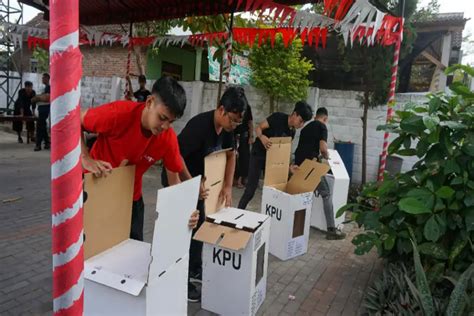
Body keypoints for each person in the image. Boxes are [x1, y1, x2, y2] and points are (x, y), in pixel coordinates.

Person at [80, 76, 199, 242]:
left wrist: (185, 211)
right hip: (96, 190)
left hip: (131, 197)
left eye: (170, 122)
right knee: (93, 254)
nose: (165, 126)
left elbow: (174, 181)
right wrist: (85, 157)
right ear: (149, 102)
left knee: (132, 253)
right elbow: (75, 119)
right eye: (162, 118)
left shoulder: (167, 137)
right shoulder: (118, 114)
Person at [161, 86, 248, 303]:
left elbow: (231, 156)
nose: (235, 126)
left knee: (201, 224)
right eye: (233, 121)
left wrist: (228, 186)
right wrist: (191, 182)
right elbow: (175, 156)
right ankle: (180, 278)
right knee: (185, 228)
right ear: (221, 110)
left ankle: (195, 267)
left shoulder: (227, 131)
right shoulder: (199, 126)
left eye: (238, 122)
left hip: (199, 184)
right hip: (179, 178)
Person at [238, 101, 313, 210]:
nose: (301, 125)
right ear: (295, 114)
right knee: (250, 190)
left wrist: (289, 167)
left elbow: (283, 152)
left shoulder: (292, 132)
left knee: (273, 191)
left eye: (303, 123)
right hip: (258, 155)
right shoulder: (278, 117)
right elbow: (258, 128)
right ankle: (238, 211)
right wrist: (262, 137)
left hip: (272, 159)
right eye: (301, 121)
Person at [294, 107, 345, 240]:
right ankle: (331, 230)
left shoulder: (305, 127)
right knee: (326, 194)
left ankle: (296, 226)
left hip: (299, 165)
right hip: (312, 165)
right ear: (325, 118)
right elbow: (323, 148)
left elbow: (301, 147)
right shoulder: (322, 127)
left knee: (302, 194)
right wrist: (327, 157)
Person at [234, 104, 254, 188]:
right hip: (233, 134)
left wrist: (251, 136)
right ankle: (234, 179)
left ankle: (241, 179)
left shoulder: (247, 107)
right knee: (234, 156)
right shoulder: (232, 105)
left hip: (244, 136)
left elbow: (250, 122)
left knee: (244, 157)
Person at [32, 73, 51, 151]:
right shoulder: (44, 87)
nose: (42, 79)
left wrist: (37, 98)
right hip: (41, 108)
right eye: (42, 78)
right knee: (42, 126)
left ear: (47, 78)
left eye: (44, 78)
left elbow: (46, 98)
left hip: (45, 109)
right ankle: (47, 143)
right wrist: (38, 97)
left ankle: (38, 145)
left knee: (39, 126)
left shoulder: (49, 87)